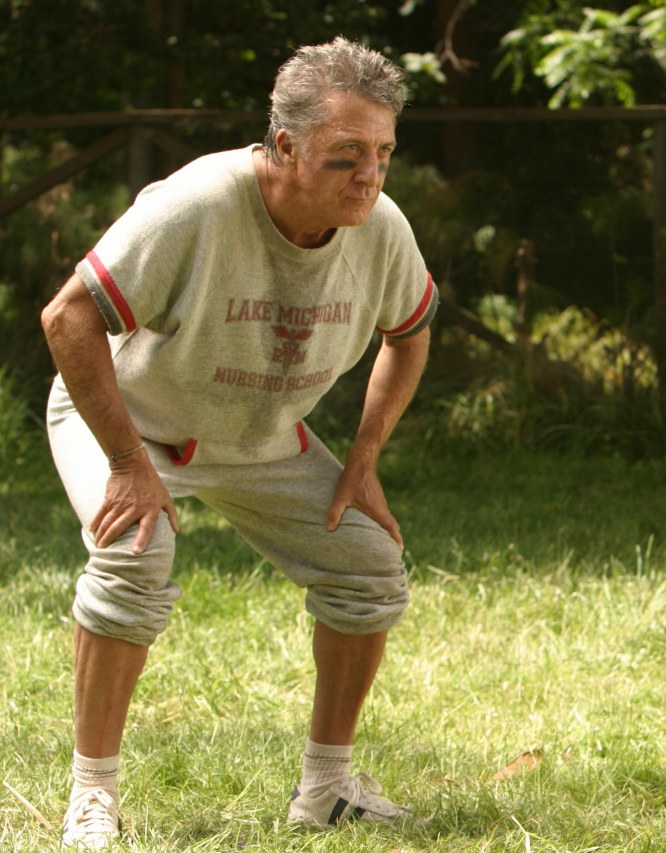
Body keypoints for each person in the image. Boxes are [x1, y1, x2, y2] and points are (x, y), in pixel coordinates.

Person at [40, 37, 437, 848]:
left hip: (259, 435)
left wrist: (361, 459)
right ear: (284, 146)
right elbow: (66, 317)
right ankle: (92, 799)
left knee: (367, 565)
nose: (370, 175)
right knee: (133, 555)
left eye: (384, 153)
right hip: (129, 422)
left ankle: (326, 788)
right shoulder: (200, 203)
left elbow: (412, 329)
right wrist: (125, 465)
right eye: (347, 155)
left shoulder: (379, 226)